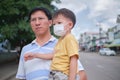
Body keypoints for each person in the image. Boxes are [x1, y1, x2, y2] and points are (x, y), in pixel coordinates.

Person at [16, 7, 87, 80]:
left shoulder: (65, 41)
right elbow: (22, 78)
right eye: (33, 20)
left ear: (50, 22)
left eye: (40, 18)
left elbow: (82, 75)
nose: (37, 23)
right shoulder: (25, 50)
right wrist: (35, 55)